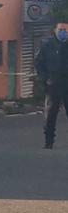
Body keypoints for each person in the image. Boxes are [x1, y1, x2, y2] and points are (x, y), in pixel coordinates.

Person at [34, 20, 68, 148]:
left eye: (65, 30)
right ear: (55, 31)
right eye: (60, 30)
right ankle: (49, 141)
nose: (62, 33)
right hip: (53, 85)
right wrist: (45, 77)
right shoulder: (48, 46)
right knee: (51, 114)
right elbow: (38, 63)